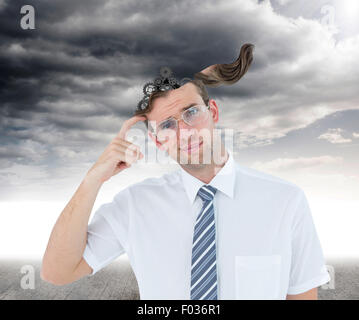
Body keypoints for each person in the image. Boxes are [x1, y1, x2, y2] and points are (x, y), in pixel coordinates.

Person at [41, 44, 330, 300]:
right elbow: (57, 272)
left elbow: (301, 294)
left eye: (191, 113)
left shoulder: (286, 201)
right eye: (167, 125)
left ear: (213, 112)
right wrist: (93, 180)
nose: (185, 132)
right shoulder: (134, 205)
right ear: (156, 140)